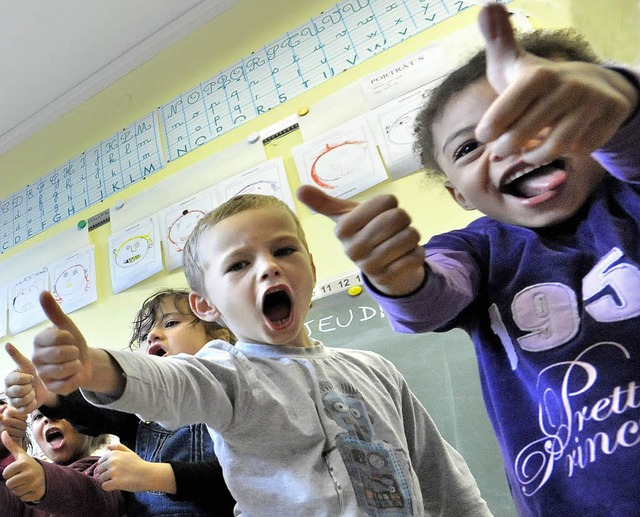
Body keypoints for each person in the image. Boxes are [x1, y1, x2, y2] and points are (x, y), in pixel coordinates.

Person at [296, 3, 640, 516]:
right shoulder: (477, 248)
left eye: (535, 115)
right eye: (468, 149)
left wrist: (619, 109)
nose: (507, 145)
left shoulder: (628, 194)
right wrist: (398, 276)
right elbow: (433, 296)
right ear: (459, 195)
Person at [30, 194, 492, 516]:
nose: (268, 265)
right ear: (207, 304)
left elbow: (438, 472)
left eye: (284, 249)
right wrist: (91, 366)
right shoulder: (226, 373)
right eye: (238, 264)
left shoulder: (375, 369)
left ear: (310, 268)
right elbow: (165, 383)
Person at [4, 289, 236, 516]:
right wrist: (49, 395)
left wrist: (154, 476)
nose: (153, 335)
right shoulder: (140, 411)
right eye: (145, 336)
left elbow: (241, 479)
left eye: (170, 323)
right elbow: (94, 413)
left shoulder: (235, 397)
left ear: (218, 338)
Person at [0, 404, 127, 516]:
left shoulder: (107, 467)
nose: (48, 418)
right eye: (38, 416)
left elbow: (103, 501)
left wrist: (45, 480)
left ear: (89, 425)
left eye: (58, 411)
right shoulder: (25, 489)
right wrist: (2, 448)